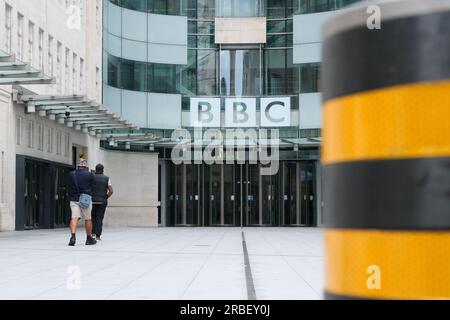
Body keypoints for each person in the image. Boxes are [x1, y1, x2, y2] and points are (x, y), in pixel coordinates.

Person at [68, 158, 97, 246]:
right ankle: (89, 238)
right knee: (88, 219)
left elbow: (68, 185)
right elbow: (93, 186)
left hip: (74, 199)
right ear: (85, 166)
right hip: (86, 199)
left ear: (78, 165)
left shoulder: (71, 174)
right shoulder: (90, 175)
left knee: (74, 218)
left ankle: (73, 236)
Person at [92, 164, 113, 241]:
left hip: (92, 201)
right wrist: (105, 197)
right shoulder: (107, 178)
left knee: (92, 218)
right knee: (99, 218)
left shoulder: (91, 177)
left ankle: (92, 233)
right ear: (103, 170)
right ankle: (98, 236)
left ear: (96, 169)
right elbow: (111, 191)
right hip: (102, 202)